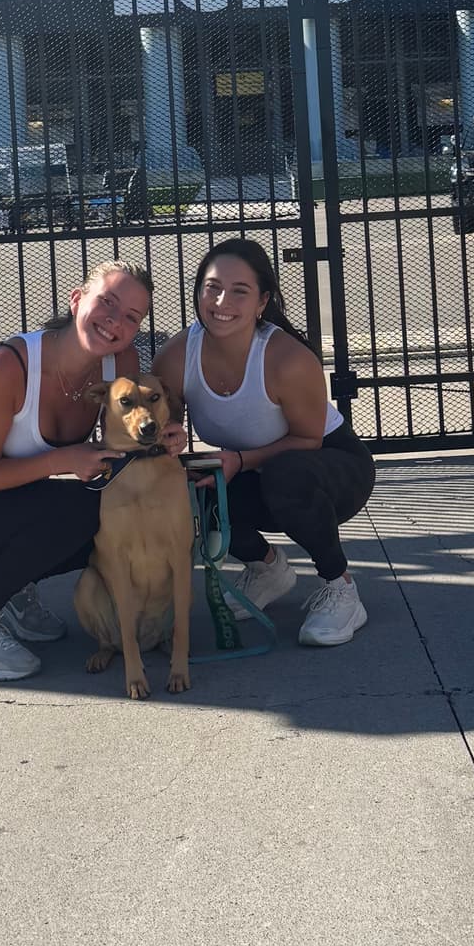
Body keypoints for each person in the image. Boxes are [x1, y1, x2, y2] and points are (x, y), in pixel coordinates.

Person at [0, 259, 180, 681]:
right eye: (107, 302)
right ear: (76, 300)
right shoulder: (8, 366)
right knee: (77, 513)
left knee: (102, 516)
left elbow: (127, 436)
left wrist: (163, 434)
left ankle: (8, 589)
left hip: (8, 497)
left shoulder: (119, 361)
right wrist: (65, 460)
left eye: (131, 316)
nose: (115, 321)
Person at [153, 237, 376, 647]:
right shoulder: (175, 356)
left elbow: (309, 439)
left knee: (284, 474)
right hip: (254, 469)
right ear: (198, 291)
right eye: (212, 287)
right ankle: (269, 568)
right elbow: (168, 418)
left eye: (240, 291)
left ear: (262, 302)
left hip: (330, 466)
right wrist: (173, 432)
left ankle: (341, 586)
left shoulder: (286, 359)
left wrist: (239, 460)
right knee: (192, 485)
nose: (223, 301)